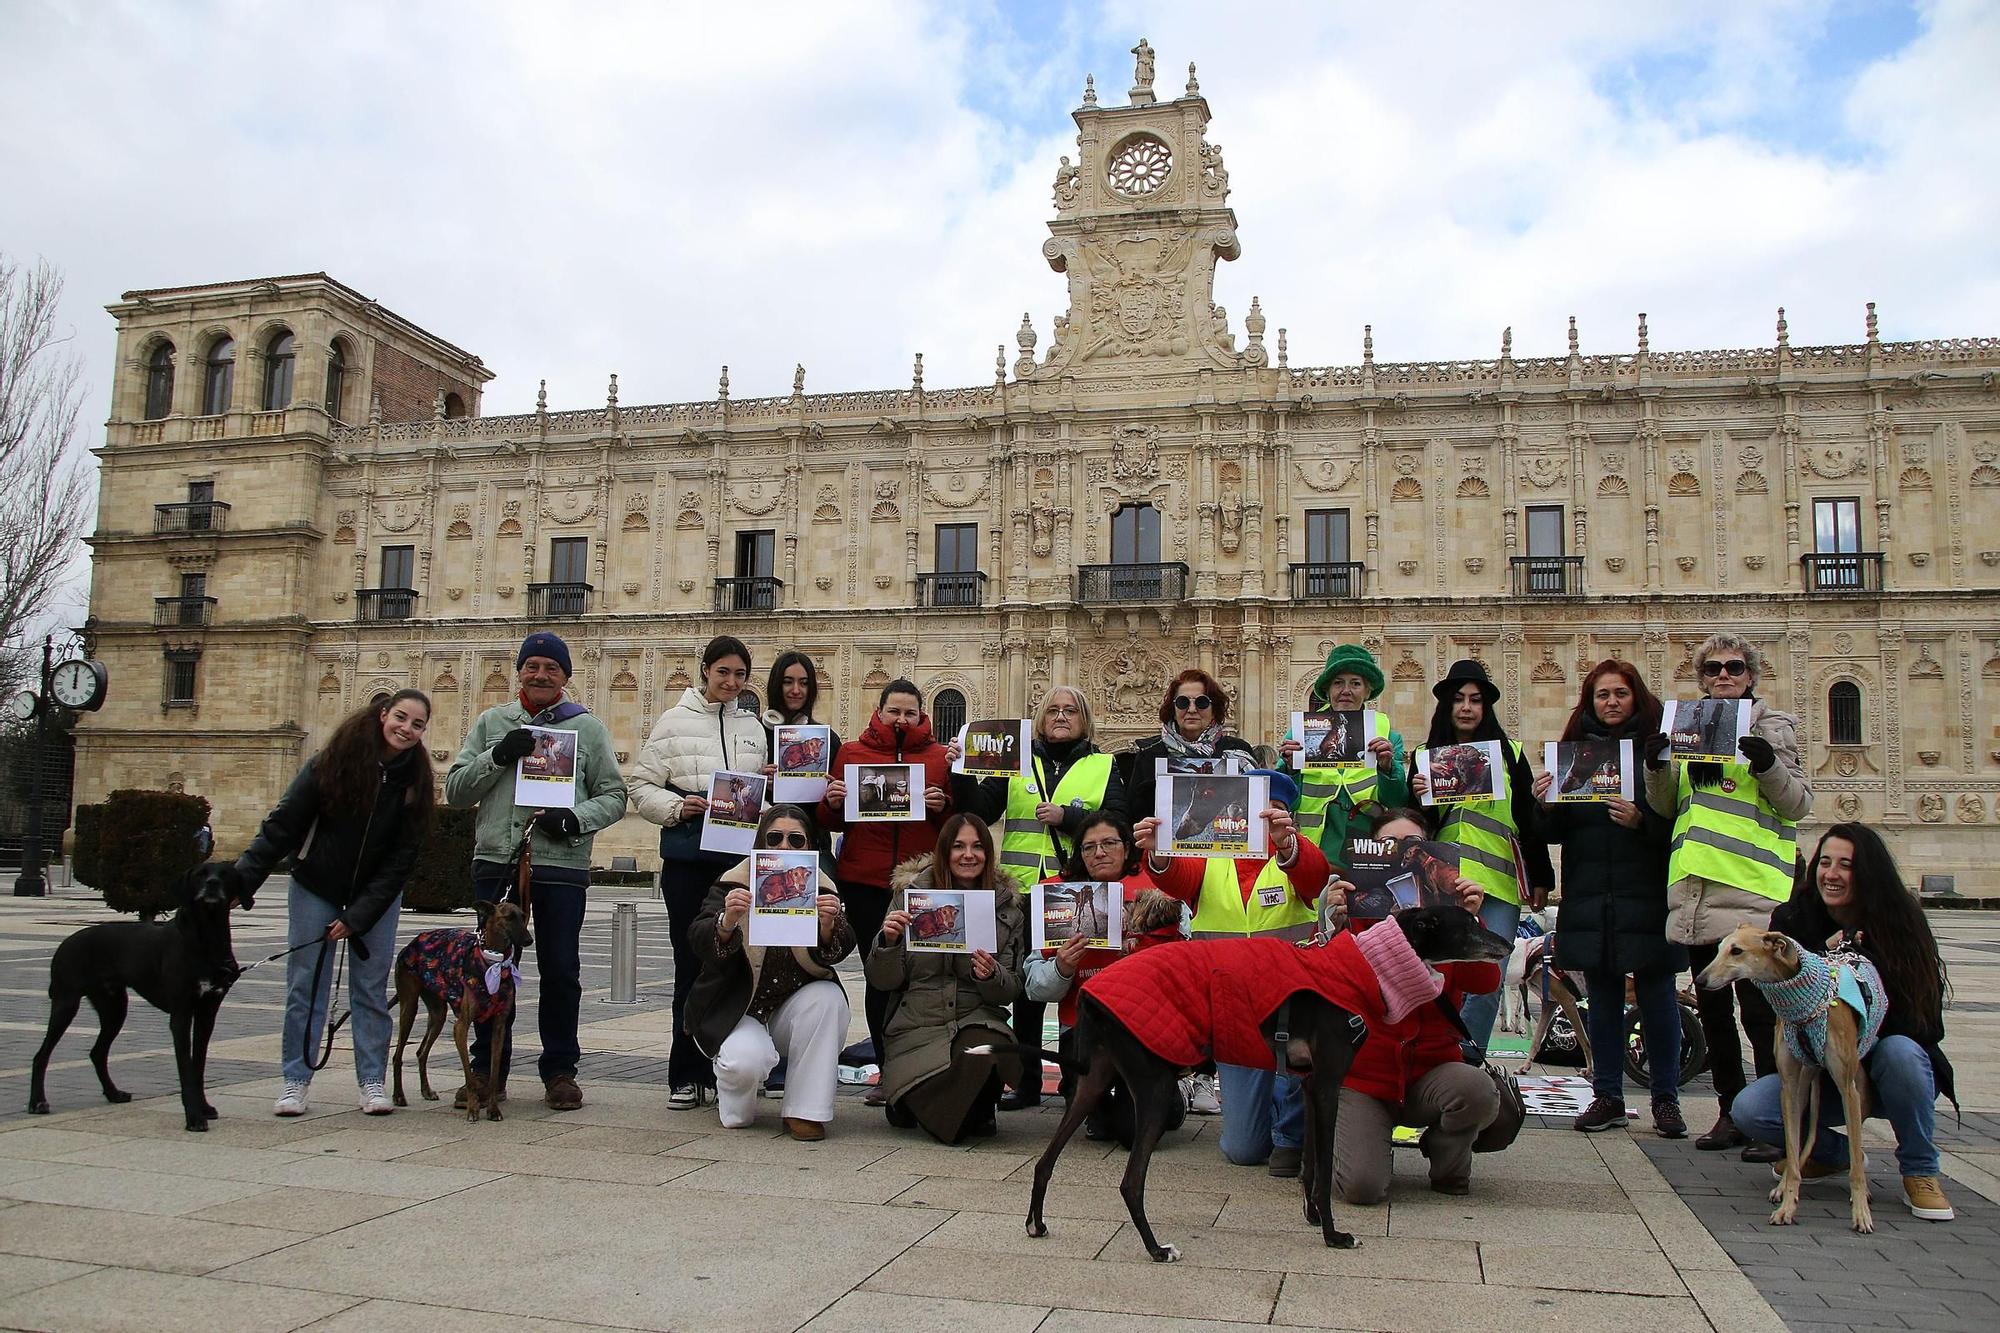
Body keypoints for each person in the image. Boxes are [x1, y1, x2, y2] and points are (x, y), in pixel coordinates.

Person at [1732, 823, 1955, 1220]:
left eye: (1845, 865)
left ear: (1866, 873)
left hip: (1883, 1067)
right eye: (1825, 862)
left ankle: (1920, 1170)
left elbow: (1924, 1020)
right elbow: (1771, 1009)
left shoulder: (1900, 921)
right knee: (1752, 1109)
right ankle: (1831, 1155)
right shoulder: (1793, 920)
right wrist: (1820, 959)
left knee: (1903, 1053)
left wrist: (1858, 976)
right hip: (1821, 1071)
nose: (1830, 874)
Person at [1643, 632, 1811, 1160]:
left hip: (1754, 892)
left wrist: (1767, 764)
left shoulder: (1772, 728)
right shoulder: (1689, 729)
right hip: (1696, 890)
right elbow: (1670, 805)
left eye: (1734, 668)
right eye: (1712, 669)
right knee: (1714, 1011)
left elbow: (1798, 804)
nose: (1723, 676)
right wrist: (1656, 766)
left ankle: (1773, 1118)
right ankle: (1730, 1110)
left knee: (1761, 1015)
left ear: (1751, 675)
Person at [444, 632, 628, 1112]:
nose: (541, 674)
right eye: (533, 666)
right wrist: (498, 755)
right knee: (490, 970)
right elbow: (457, 792)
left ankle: (560, 1070)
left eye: (551, 667)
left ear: (566, 675)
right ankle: (486, 1070)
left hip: (560, 865)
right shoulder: (491, 723)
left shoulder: (587, 729)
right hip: (498, 863)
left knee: (562, 968)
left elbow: (613, 795)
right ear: (519, 670)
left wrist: (575, 818)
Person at [236, 689, 433, 1117]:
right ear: (382, 714)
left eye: (417, 724)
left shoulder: (414, 784)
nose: (407, 729)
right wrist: (243, 878)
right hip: (316, 886)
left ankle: (371, 1081)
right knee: (305, 985)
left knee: (370, 987)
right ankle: (295, 1079)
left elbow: (401, 860)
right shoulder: (332, 763)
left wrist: (359, 916)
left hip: (375, 896)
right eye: (401, 717)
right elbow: (283, 825)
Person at [1142, 768, 1334, 1176]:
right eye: (1252, 809)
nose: (1262, 820)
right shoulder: (1210, 856)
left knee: (1294, 1081)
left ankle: (1292, 1133)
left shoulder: (1295, 856)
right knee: (1243, 1149)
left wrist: (1289, 845)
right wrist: (1159, 852)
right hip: (1236, 1012)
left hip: (1291, 1005)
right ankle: (1274, 1125)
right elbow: (1176, 878)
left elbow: (1315, 877)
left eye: (1274, 811)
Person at [949, 684, 1125, 1110]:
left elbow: (1119, 821)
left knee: (1080, 985)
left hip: (1077, 891)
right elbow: (983, 811)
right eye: (1052, 711)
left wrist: (1069, 818)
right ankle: (1026, 1082)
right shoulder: (1016, 762)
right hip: (1025, 890)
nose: (1061, 717)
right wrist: (960, 773)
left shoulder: (1105, 764)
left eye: (1070, 710)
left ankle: (1076, 1080)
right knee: (1028, 990)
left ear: (1085, 719)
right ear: (1041, 719)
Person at [1321, 808, 1509, 1201]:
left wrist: (1471, 924)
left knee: (1477, 1090)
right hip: (1365, 1076)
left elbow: (1486, 981)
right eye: (1390, 847)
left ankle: (1447, 1162)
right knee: (1361, 1188)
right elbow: (1327, 986)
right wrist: (1333, 924)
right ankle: (1356, 1142)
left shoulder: (1446, 921)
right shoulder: (1358, 916)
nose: (1402, 855)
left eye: (1412, 846)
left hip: (1430, 1069)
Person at [1533, 660, 1687, 1138]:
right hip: (1590, 890)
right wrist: (1545, 803)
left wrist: (1643, 822)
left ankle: (1666, 1097)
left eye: (1620, 693)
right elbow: (1551, 832)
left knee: (1658, 997)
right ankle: (1607, 1094)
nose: (1612, 702)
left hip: (1647, 889)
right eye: (1603, 695)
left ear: (1636, 697)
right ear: (1590, 701)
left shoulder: (1659, 753)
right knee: (1599, 998)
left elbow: (1681, 823)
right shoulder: (1575, 754)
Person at [629, 634, 772, 1110]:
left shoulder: (753, 726)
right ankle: (685, 1073)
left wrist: (769, 795)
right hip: (690, 862)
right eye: (723, 672)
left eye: (739, 675)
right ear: (705, 671)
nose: (731, 682)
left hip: (738, 864)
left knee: (737, 963)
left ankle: (726, 1070)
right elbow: (641, 785)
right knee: (691, 963)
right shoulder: (673, 722)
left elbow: (756, 798)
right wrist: (677, 807)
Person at [684, 805, 855, 1141]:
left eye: (796, 840)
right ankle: (735, 1097)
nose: (784, 847)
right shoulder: (732, 883)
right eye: (775, 838)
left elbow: (842, 947)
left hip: (792, 1003)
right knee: (743, 1069)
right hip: (738, 1006)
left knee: (828, 999)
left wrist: (828, 926)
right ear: (761, 841)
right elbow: (698, 937)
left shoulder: (822, 887)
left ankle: (805, 1111)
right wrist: (727, 922)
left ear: (809, 847)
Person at [818, 679, 954, 1104]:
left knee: (921, 980)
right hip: (865, 881)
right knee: (880, 978)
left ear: (921, 715)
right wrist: (834, 801)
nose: (901, 719)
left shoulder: (938, 758)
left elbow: (959, 821)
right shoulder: (853, 754)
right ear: (879, 712)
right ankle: (885, 1067)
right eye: (894, 711)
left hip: (921, 881)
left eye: (910, 712)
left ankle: (922, 1067)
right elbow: (831, 822)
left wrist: (942, 804)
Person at [1412, 659, 1554, 1057]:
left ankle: (1467, 1057)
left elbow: (1527, 816)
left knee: (1490, 972)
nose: (1467, 707)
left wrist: (1540, 877)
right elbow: (1418, 826)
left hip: (1498, 882)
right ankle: (1434, 1054)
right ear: (1447, 706)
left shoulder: (1510, 753)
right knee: (1439, 971)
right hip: (1445, 880)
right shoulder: (1426, 756)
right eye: (1459, 699)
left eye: (1475, 700)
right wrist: (1420, 796)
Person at [1021, 811, 1187, 1144]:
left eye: (1109, 843)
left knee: (1133, 1132)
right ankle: (1102, 1100)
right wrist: (1062, 968)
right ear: (1079, 854)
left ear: (1127, 848)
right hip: (1082, 1029)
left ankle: (1169, 1096)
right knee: (1092, 1118)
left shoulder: (1161, 889)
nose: (1099, 853)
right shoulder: (1056, 894)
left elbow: (1187, 963)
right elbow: (1035, 986)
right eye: (1089, 847)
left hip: (1142, 1028)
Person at [866, 814, 1027, 1143]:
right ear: (944, 852)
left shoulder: (1008, 909)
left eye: (977, 847)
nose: (968, 855)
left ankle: (954, 1106)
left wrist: (990, 974)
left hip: (974, 1018)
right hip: (917, 1024)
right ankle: (937, 1104)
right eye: (958, 846)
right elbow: (883, 981)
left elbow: (1010, 990)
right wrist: (889, 942)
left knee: (988, 1050)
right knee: (965, 1120)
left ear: (988, 854)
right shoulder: (910, 898)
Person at [1283, 643, 1410, 858]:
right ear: (1327, 690)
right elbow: (1289, 801)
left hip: (1370, 843)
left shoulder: (1388, 735)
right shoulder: (1297, 733)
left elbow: (1397, 802)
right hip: (1315, 844)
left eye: (1356, 683)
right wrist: (1290, 769)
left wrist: (1387, 769)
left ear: (1368, 690)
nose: (1346, 691)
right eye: (1338, 683)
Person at [1124, 669, 1258, 837]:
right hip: (1161, 858)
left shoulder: (1238, 751)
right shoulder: (1150, 754)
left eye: (1201, 702)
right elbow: (1131, 813)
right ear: (1173, 709)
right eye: (1182, 702)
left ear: (1214, 708)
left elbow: (1256, 807)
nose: (1192, 709)